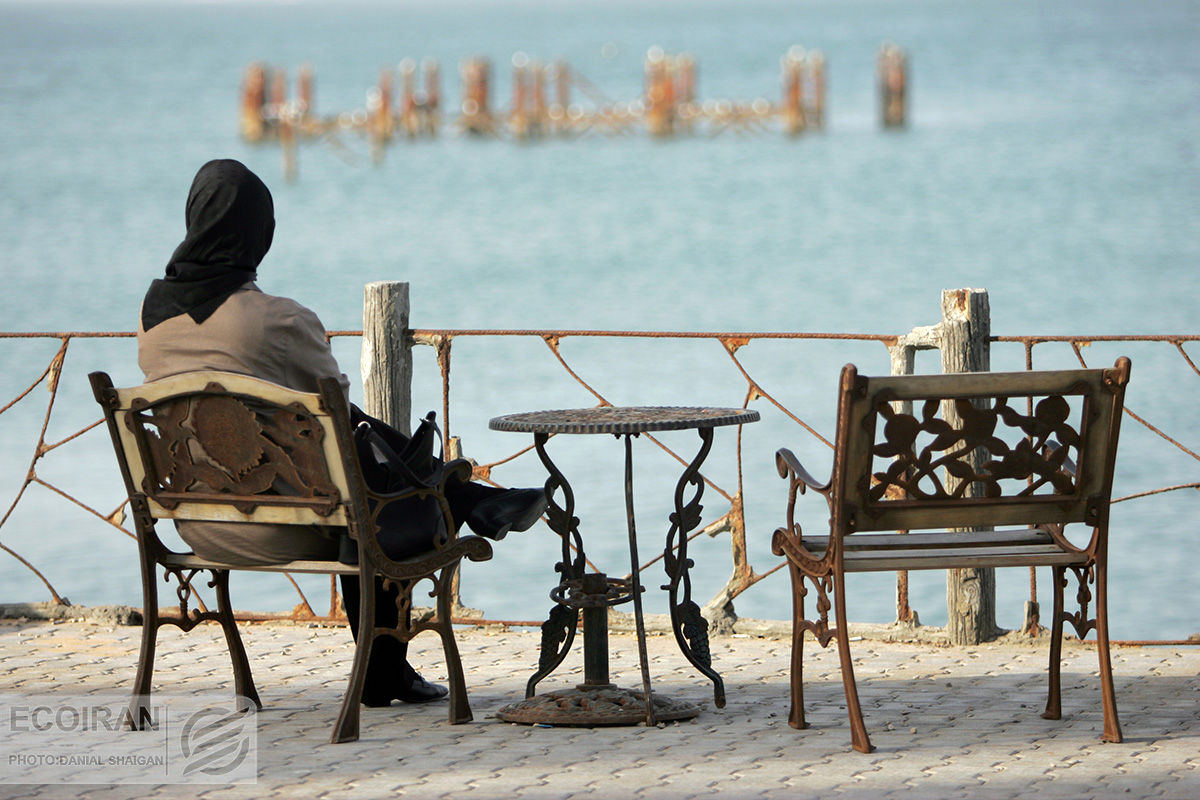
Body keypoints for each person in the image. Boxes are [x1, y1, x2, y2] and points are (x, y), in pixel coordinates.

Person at [137, 158, 546, 706]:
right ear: (261, 235)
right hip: (287, 528)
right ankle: (464, 502)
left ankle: (466, 497)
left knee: (366, 466)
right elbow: (337, 404)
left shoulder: (152, 319)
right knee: (381, 494)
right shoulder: (279, 319)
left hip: (195, 524)